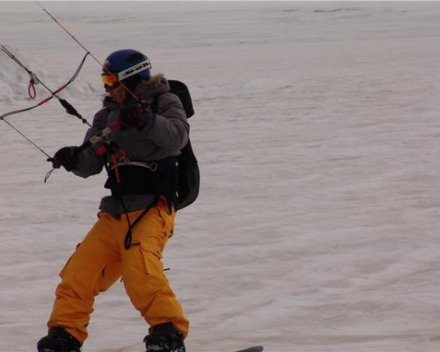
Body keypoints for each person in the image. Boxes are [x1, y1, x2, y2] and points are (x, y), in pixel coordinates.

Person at [37, 49, 190, 352]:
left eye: (110, 78)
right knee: (78, 274)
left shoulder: (165, 101)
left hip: (152, 209)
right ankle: (64, 336)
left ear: (131, 79)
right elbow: (91, 163)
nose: (106, 86)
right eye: (104, 78)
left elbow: (177, 137)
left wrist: (146, 120)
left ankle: (168, 334)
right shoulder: (107, 115)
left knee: (141, 271)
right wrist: (71, 158)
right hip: (115, 213)